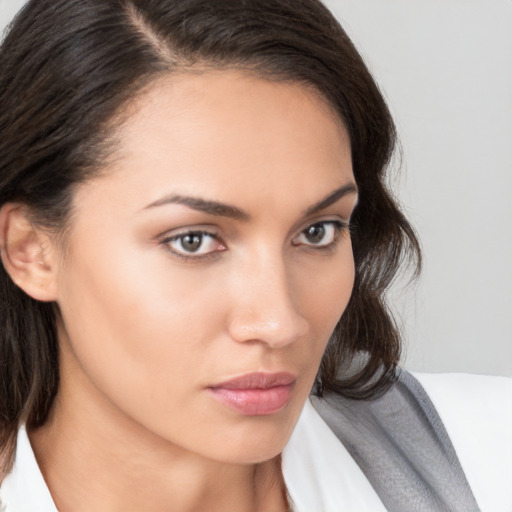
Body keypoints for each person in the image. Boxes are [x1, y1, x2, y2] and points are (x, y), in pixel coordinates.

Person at [0, 0, 510, 511]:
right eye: (193, 240)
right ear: (31, 250)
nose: (280, 323)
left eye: (317, 231)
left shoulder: (489, 456)